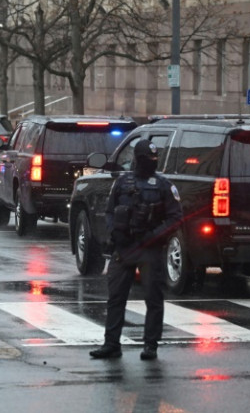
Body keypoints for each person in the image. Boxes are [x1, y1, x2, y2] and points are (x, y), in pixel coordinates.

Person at [90, 139, 183, 361]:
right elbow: (110, 210)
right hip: (124, 247)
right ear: (137, 159)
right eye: (145, 159)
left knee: (153, 297)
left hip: (150, 248)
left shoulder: (163, 185)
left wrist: (154, 235)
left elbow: (175, 218)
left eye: (153, 159)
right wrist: (115, 234)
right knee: (115, 297)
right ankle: (111, 344)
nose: (149, 163)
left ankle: (150, 345)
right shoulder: (123, 182)